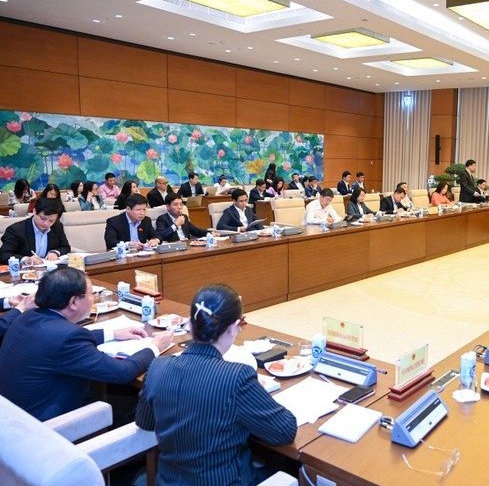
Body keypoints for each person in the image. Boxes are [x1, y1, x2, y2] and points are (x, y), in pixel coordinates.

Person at [135, 284, 297, 485]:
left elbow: (144, 422)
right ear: (232, 328)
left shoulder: (158, 366)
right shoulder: (237, 377)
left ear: (190, 325)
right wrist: (259, 395)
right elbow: (284, 431)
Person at [0, 267, 172, 421]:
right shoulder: (67, 337)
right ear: (74, 302)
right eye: (91, 294)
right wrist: (154, 347)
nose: (93, 299)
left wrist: (111, 333)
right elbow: (121, 373)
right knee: (136, 405)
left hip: (16, 414)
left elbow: (58, 340)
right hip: (49, 427)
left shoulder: (27, 317)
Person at [0, 198, 71, 265]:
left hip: (50, 270)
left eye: (51, 221)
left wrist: (55, 253)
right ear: (34, 211)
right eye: (43, 218)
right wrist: (26, 259)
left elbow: (65, 247)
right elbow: (3, 254)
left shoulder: (57, 226)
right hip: (25, 272)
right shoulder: (16, 230)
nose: (46, 223)